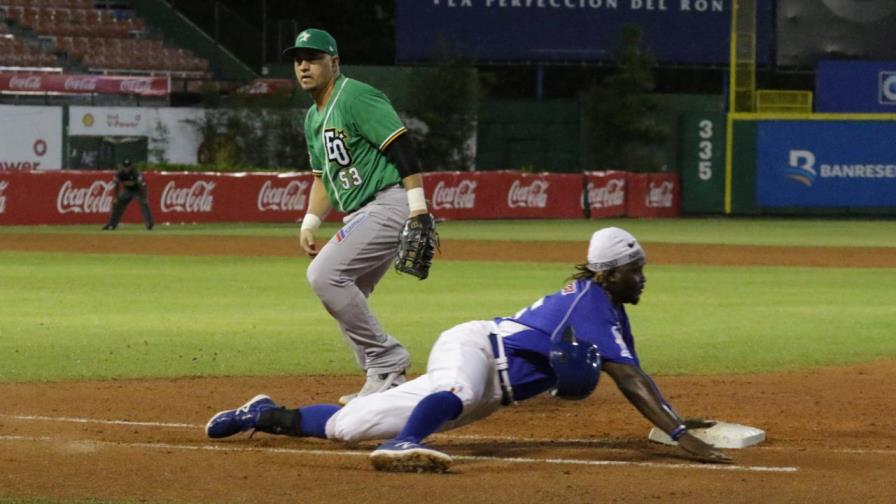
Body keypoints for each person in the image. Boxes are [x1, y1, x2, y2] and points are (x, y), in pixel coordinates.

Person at [205, 227, 733, 472]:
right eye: (635, 270)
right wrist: (681, 437)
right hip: (478, 349)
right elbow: (629, 381)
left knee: (349, 427)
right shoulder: (592, 303)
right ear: (608, 273)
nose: (642, 278)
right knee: (454, 391)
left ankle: (263, 413)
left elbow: (636, 372)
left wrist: (675, 419)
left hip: (492, 391)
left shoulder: (607, 308)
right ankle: (403, 445)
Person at [282, 28, 436, 404]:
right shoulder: (313, 117)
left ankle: (387, 358)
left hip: (389, 202)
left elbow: (401, 146)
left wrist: (418, 207)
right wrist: (310, 221)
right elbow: (323, 177)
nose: (304, 66)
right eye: (298, 60)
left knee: (324, 276)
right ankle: (383, 378)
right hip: (360, 212)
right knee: (346, 297)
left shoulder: (356, 96)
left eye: (313, 58)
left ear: (334, 63)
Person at [102, 158, 154, 230]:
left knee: (144, 204)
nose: (127, 169)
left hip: (138, 190)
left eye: (128, 167)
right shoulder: (120, 173)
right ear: (123, 166)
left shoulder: (136, 173)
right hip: (127, 190)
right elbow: (116, 184)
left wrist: (145, 197)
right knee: (117, 204)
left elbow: (142, 185)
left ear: (131, 166)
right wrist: (116, 197)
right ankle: (111, 224)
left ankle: (149, 224)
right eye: (125, 167)